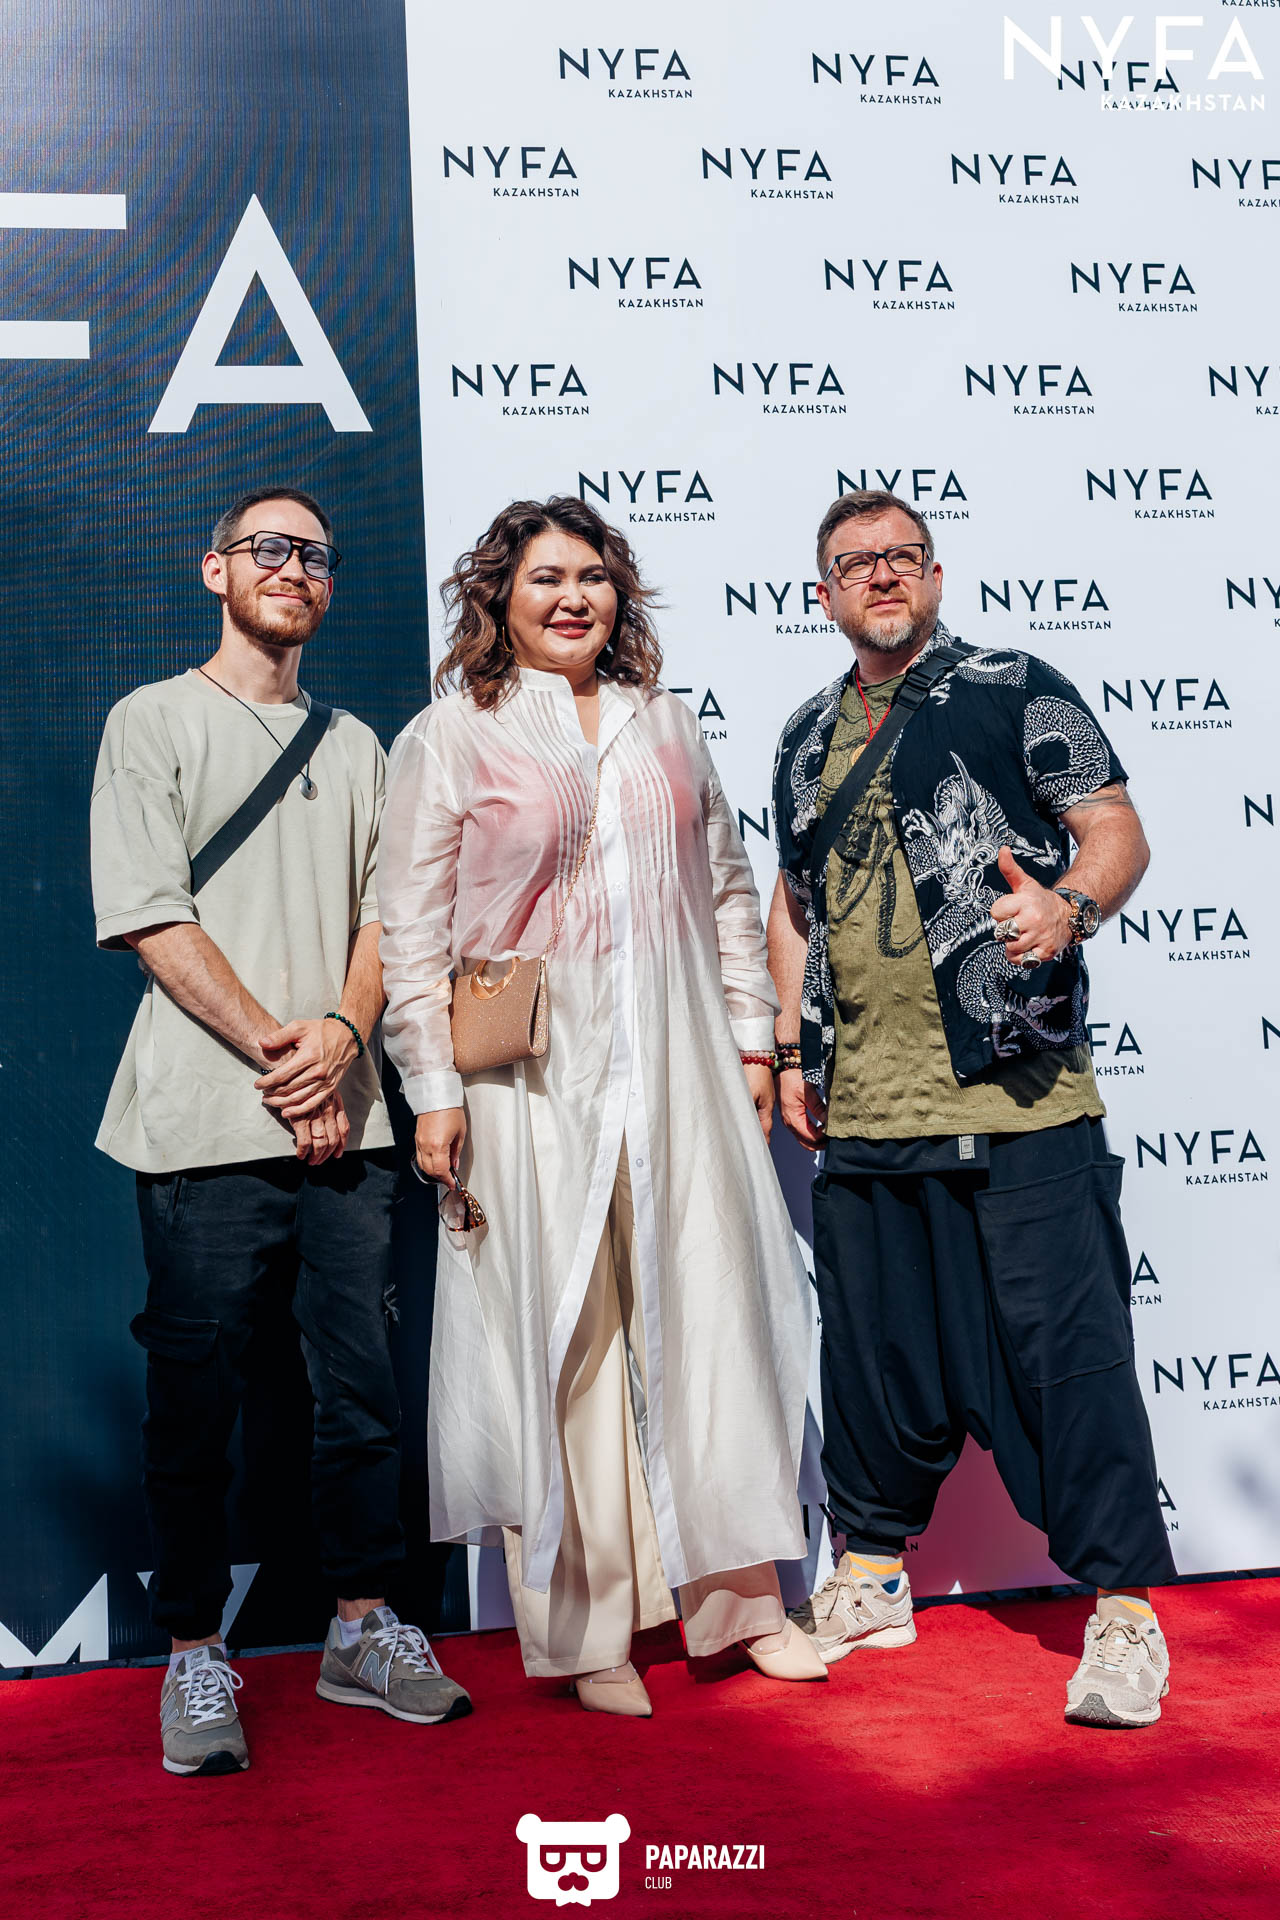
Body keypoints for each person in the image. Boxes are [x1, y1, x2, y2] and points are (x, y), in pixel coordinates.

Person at [377, 495, 823, 1717]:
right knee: (560, 1339)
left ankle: (743, 1607)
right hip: (524, 1075)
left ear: (617, 594)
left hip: (678, 1058)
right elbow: (410, 931)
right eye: (544, 578)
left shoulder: (662, 722)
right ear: (499, 598)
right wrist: (432, 1089)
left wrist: (750, 1039)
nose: (571, 597)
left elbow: (726, 890)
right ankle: (588, 1633)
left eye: (590, 576)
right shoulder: (450, 735)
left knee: (710, 1315)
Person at [768, 488, 1177, 1728]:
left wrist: (1069, 907)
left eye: (902, 556)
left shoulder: (1014, 685)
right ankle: (870, 1578)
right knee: (873, 1362)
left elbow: (1111, 826)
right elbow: (793, 902)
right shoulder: (801, 734)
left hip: (1020, 1095)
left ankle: (1123, 1615)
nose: (881, 575)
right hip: (865, 1111)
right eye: (855, 563)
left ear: (934, 575)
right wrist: (788, 1049)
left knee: (1070, 1365)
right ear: (823, 594)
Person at [91, 487, 470, 1777]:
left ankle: (361, 1628)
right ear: (215, 570)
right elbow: (150, 916)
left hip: (346, 1131)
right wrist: (283, 1054)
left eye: (314, 554)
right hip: (202, 1132)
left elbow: (388, 918)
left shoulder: (357, 744)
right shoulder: (150, 720)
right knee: (194, 1404)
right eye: (267, 548)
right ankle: (194, 1652)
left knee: (359, 1394)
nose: (292, 568)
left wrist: (345, 1039)